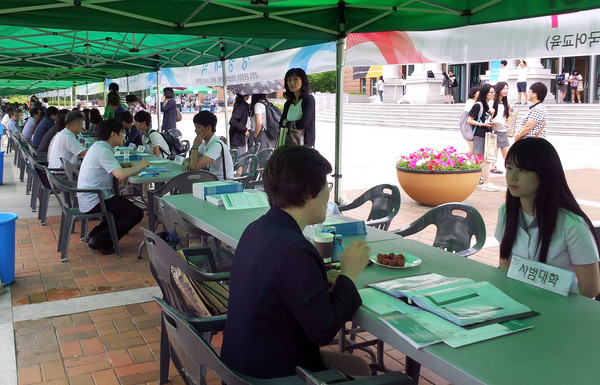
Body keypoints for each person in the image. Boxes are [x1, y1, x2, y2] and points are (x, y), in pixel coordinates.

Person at [221, 145, 371, 378]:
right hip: (273, 374)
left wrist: (320, 281)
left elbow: (283, 288)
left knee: (359, 367)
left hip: (241, 363)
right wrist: (348, 275)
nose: (328, 193)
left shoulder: (257, 228)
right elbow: (323, 330)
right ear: (310, 193)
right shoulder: (295, 250)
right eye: (326, 186)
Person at [496, 138, 600, 298]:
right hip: (518, 302)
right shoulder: (506, 212)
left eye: (523, 170)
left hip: (560, 311)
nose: (512, 177)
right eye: (509, 168)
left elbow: (590, 289)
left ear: (545, 174)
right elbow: (504, 266)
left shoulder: (572, 225)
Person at [77, 119, 150, 255]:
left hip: (91, 195)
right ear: (113, 135)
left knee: (122, 210)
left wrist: (124, 165)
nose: (124, 136)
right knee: (135, 213)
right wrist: (140, 166)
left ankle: (94, 235)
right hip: (96, 198)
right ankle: (100, 240)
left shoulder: (99, 147)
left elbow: (112, 167)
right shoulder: (104, 151)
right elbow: (120, 175)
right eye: (121, 133)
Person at [467, 83, 499, 192]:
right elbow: (469, 120)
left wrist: (491, 118)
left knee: (484, 159)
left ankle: (483, 181)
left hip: (487, 134)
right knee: (482, 159)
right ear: (485, 93)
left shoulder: (486, 105)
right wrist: (483, 125)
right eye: (491, 92)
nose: (493, 94)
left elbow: (484, 119)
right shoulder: (478, 105)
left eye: (493, 92)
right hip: (480, 134)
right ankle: (485, 182)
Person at [188, 111, 234, 180]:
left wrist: (195, 146)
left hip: (223, 182)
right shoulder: (205, 143)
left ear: (208, 128)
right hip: (213, 178)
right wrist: (187, 163)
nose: (195, 130)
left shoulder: (216, 145)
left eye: (198, 127)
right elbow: (190, 159)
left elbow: (195, 166)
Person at [279, 68, 316, 147]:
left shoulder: (308, 99)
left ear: (303, 81)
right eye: (289, 80)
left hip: (304, 145)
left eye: (296, 79)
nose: (292, 82)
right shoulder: (289, 102)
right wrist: (294, 123)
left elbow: (304, 123)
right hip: (288, 144)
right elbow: (281, 123)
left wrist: (287, 122)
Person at [489, 82, 512, 174]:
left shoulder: (506, 102)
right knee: (494, 150)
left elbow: (505, 117)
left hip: (502, 129)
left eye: (507, 88)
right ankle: (493, 167)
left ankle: (509, 169)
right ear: (498, 90)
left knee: (505, 151)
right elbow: (489, 116)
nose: (506, 91)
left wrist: (509, 109)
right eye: (503, 89)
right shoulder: (492, 102)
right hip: (494, 128)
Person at [460, 86, 480, 155]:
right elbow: (468, 115)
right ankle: (459, 158)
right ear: (474, 94)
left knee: (474, 151)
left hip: (472, 129)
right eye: (479, 92)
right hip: (469, 129)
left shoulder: (475, 102)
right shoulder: (470, 102)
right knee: (473, 150)